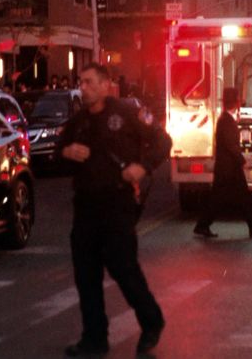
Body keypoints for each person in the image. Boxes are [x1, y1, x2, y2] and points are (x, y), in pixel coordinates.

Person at [58, 63, 169, 357]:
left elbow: (162, 141)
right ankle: (94, 339)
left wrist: (142, 167)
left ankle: (151, 320)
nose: (84, 87)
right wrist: (66, 152)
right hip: (85, 207)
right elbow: (59, 152)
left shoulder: (128, 112)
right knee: (86, 275)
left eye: (90, 82)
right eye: (81, 82)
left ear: (106, 84)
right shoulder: (78, 122)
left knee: (123, 268)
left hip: (117, 204)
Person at [194, 88, 252, 239]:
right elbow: (231, 145)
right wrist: (242, 160)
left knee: (243, 197)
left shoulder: (226, 119)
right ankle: (202, 225)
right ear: (235, 102)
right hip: (227, 169)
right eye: (238, 99)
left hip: (229, 168)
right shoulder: (226, 121)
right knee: (219, 199)